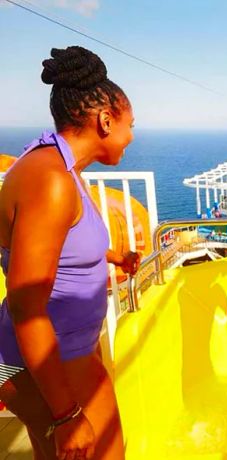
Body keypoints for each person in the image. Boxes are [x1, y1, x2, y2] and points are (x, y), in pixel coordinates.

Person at [0, 46, 138, 459]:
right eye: (131, 125)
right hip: (43, 363)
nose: (132, 136)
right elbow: (27, 306)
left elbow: (55, 249)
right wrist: (66, 414)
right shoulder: (52, 181)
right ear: (105, 120)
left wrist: (110, 259)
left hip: (66, 351)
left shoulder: (61, 168)